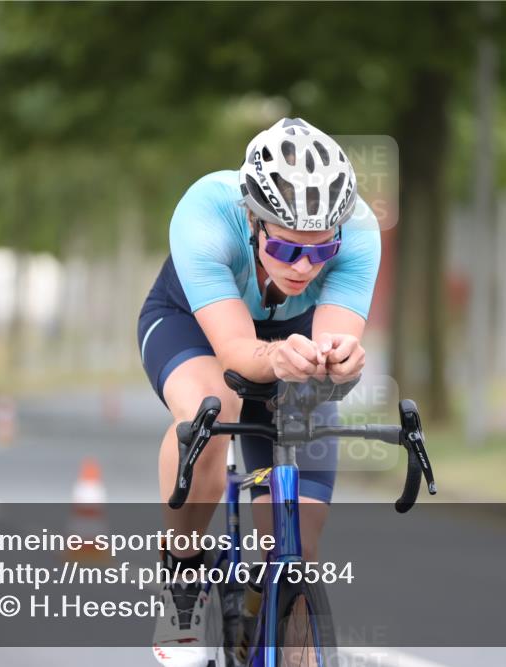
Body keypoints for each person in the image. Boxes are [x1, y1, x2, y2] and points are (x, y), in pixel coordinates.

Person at [138, 117, 380, 666]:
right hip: (195, 325)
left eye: (320, 254)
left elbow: (331, 346)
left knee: (298, 546)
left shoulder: (360, 231)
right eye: (288, 249)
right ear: (253, 220)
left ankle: (258, 619)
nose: (303, 267)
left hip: (287, 337)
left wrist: (339, 363)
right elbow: (238, 356)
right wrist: (281, 357)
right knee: (212, 408)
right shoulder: (206, 211)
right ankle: (183, 577)